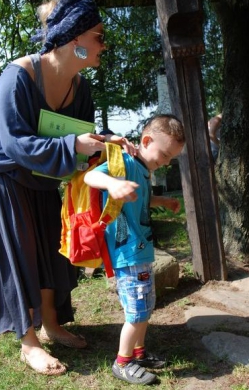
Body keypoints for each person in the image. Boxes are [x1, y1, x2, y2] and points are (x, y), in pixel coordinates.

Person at [0, 0, 135, 377]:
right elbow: (15, 142)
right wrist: (72, 146)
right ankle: (28, 342)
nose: (103, 44)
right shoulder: (19, 76)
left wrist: (104, 142)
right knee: (19, 250)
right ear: (74, 38)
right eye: (98, 36)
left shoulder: (81, 88)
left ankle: (51, 323)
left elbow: (79, 136)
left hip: (42, 172)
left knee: (51, 245)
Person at [84, 114, 185, 385]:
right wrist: (113, 183)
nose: (165, 162)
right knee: (137, 311)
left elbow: (141, 200)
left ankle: (138, 354)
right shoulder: (126, 163)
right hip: (127, 252)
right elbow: (91, 177)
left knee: (146, 306)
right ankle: (123, 362)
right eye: (164, 155)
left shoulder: (142, 169)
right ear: (146, 140)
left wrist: (162, 200)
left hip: (140, 250)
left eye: (169, 159)